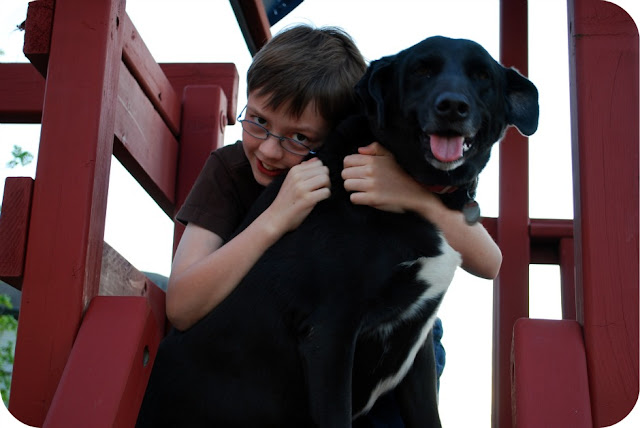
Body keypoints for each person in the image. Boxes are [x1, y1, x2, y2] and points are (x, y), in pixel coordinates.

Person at [139, 24, 501, 427]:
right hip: (262, 363)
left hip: (365, 353)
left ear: (336, 136)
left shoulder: (363, 169)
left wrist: (412, 196)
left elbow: (490, 262)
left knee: (421, 330)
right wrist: (275, 218)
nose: (270, 149)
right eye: (257, 120)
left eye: (299, 137)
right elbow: (182, 306)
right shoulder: (231, 170)